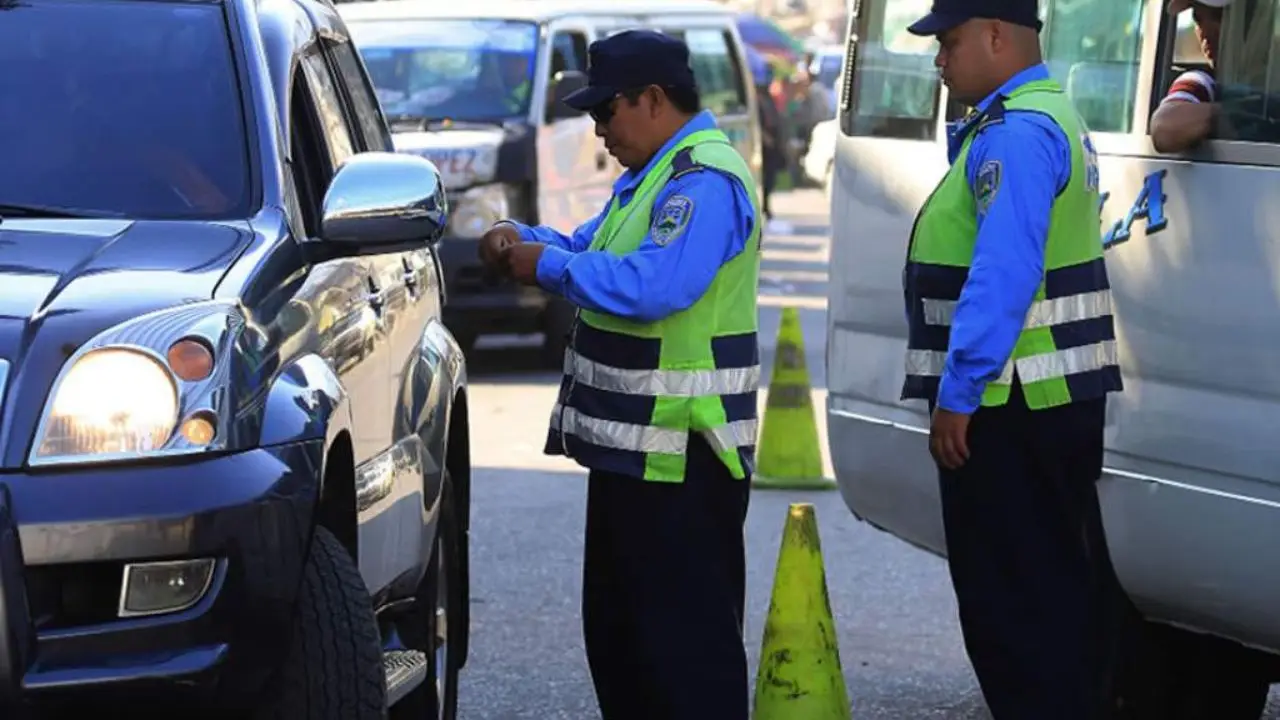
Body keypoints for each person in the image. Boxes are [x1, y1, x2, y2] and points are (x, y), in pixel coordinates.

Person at [476, 29, 761, 720]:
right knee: (625, 641)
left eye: (607, 112)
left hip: (681, 457)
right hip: (637, 456)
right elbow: (589, 246)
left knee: (683, 654)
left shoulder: (703, 183)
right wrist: (524, 239)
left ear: (653, 99)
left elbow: (653, 286)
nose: (600, 131)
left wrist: (542, 266)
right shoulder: (656, 176)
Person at [899, 1, 1125, 718]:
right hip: (1041, 400)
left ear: (997, 35)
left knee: (1014, 613)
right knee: (1050, 597)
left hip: (1009, 407)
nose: (939, 60)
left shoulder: (1017, 134)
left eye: (951, 41)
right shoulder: (1042, 118)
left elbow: (1001, 274)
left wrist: (959, 393)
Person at [1150, 0, 1231, 152]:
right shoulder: (1204, 82)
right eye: (1198, 19)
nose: (1204, 30)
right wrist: (1241, 113)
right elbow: (1164, 128)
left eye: (1218, 17)